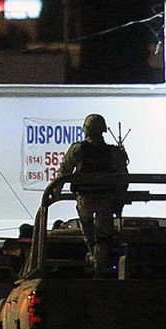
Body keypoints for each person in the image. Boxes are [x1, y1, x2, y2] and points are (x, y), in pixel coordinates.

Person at [55, 113, 130, 272]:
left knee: (88, 231)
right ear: (103, 130)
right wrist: (120, 199)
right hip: (106, 200)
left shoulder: (77, 149)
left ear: (86, 130)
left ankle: (92, 253)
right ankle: (100, 261)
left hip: (85, 199)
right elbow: (123, 177)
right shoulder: (113, 152)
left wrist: (56, 192)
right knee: (104, 237)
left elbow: (64, 171)